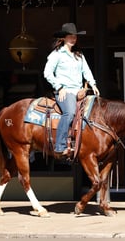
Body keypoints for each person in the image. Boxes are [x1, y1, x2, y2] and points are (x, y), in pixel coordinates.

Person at [43, 23, 100, 156]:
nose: (73, 38)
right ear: (63, 38)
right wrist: (59, 87)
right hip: (65, 91)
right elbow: (47, 73)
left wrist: (93, 84)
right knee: (69, 113)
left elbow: (86, 71)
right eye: (70, 36)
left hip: (79, 91)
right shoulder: (56, 54)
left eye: (75, 36)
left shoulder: (79, 55)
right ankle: (60, 145)